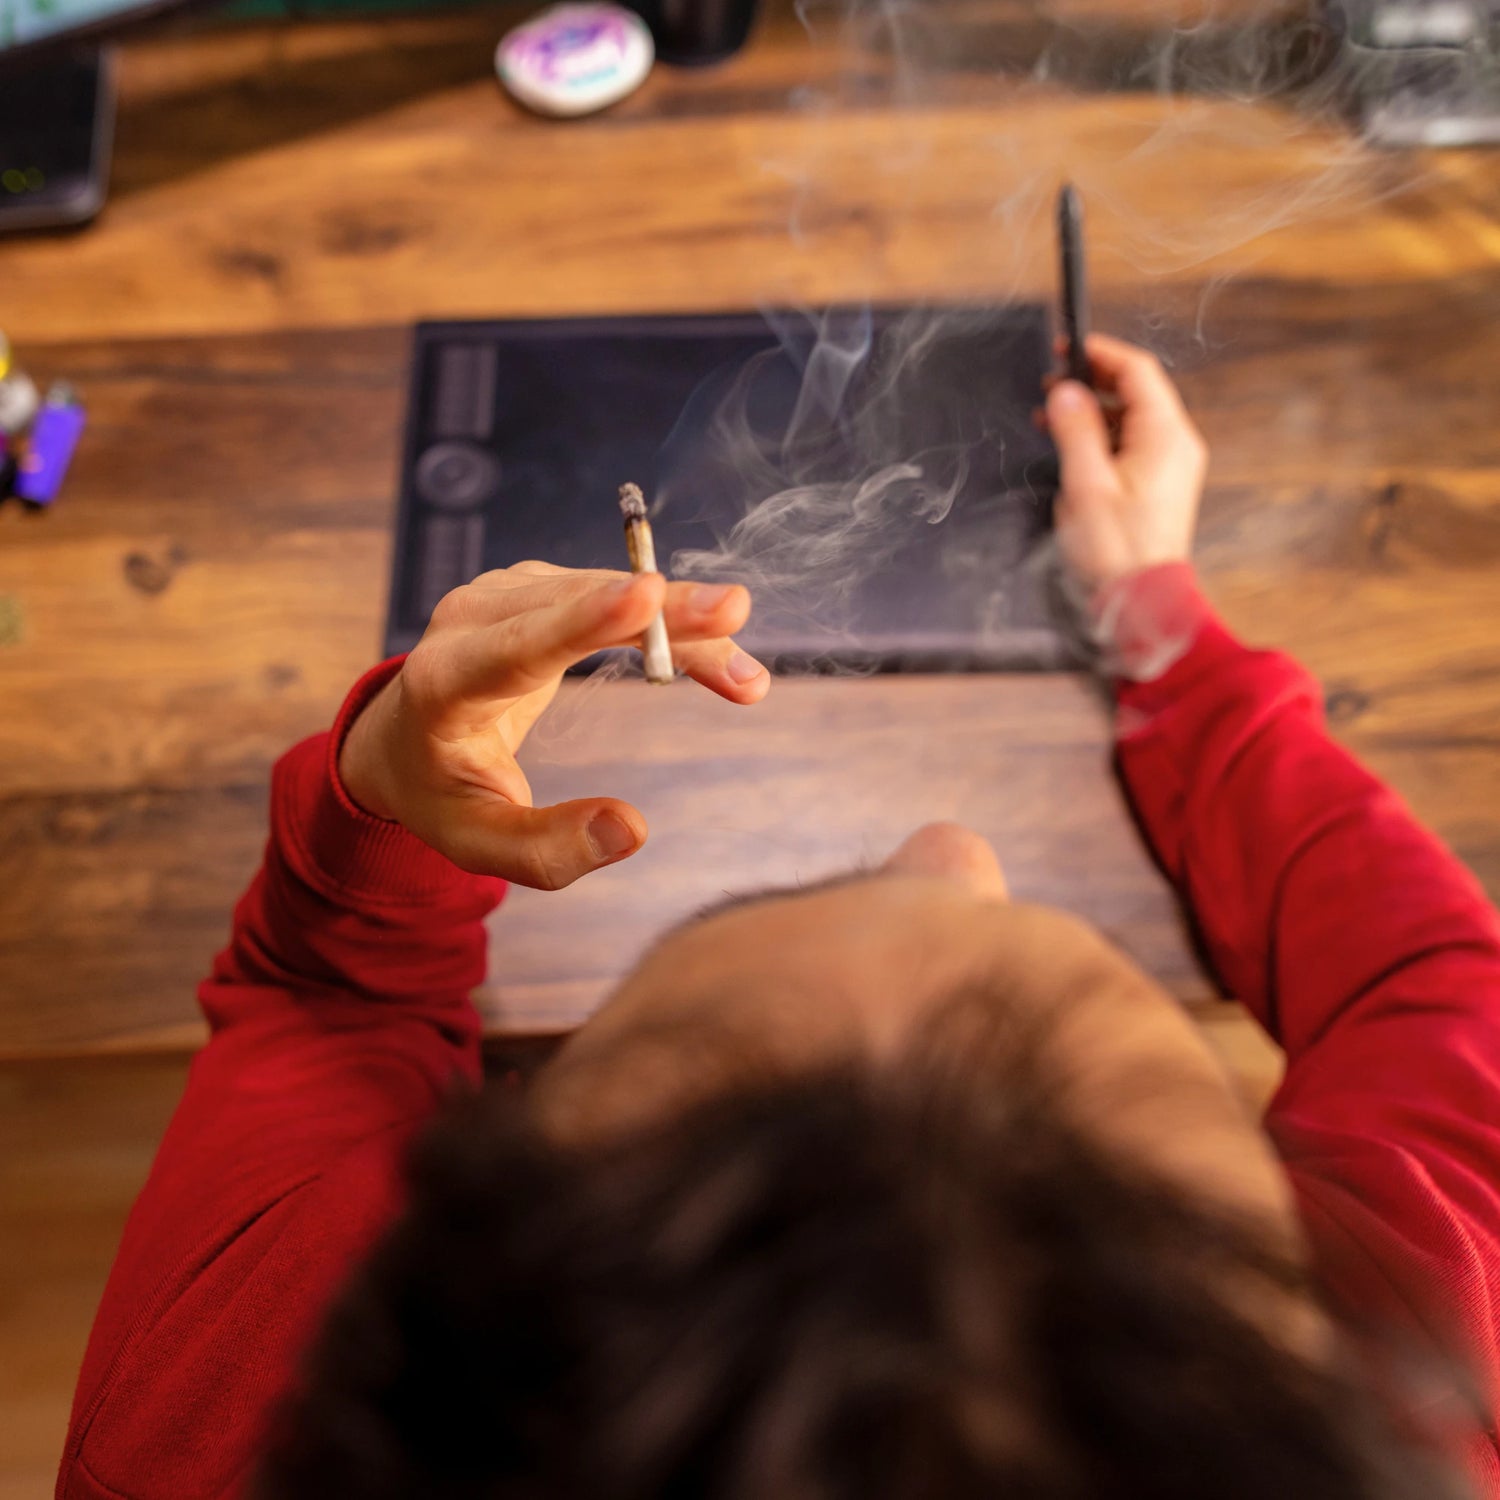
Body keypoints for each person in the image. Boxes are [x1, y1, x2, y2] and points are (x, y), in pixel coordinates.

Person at [57, 337, 1500, 1500]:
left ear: (454, 1223)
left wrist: (378, 807)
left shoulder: (225, 1417)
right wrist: (1155, 618)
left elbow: (322, 1014)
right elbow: (1436, 983)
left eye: (687, 997)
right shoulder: (1439, 1344)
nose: (948, 853)